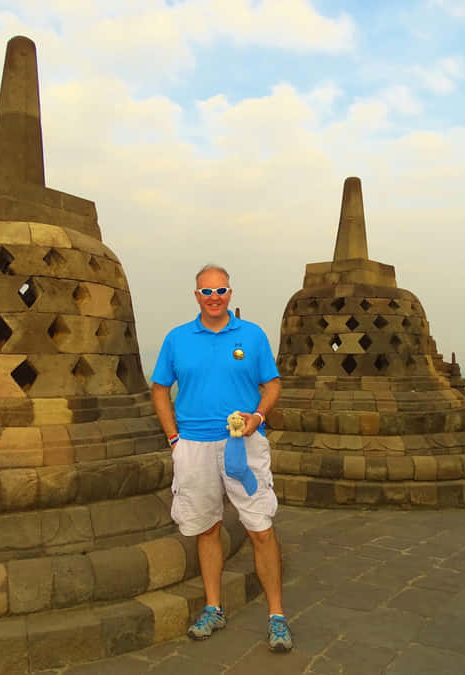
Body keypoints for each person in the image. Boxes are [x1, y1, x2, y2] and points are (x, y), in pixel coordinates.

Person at [151, 264, 292, 653]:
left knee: (260, 527)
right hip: (193, 445)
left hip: (243, 444)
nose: (214, 298)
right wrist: (174, 439)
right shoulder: (177, 339)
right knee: (207, 527)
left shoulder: (252, 335)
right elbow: (160, 389)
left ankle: (276, 615)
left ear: (231, 294)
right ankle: (213, 607)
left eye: (221, 291)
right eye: (207, 292)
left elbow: (273, 383)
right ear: (196, 296)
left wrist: (259, 416)